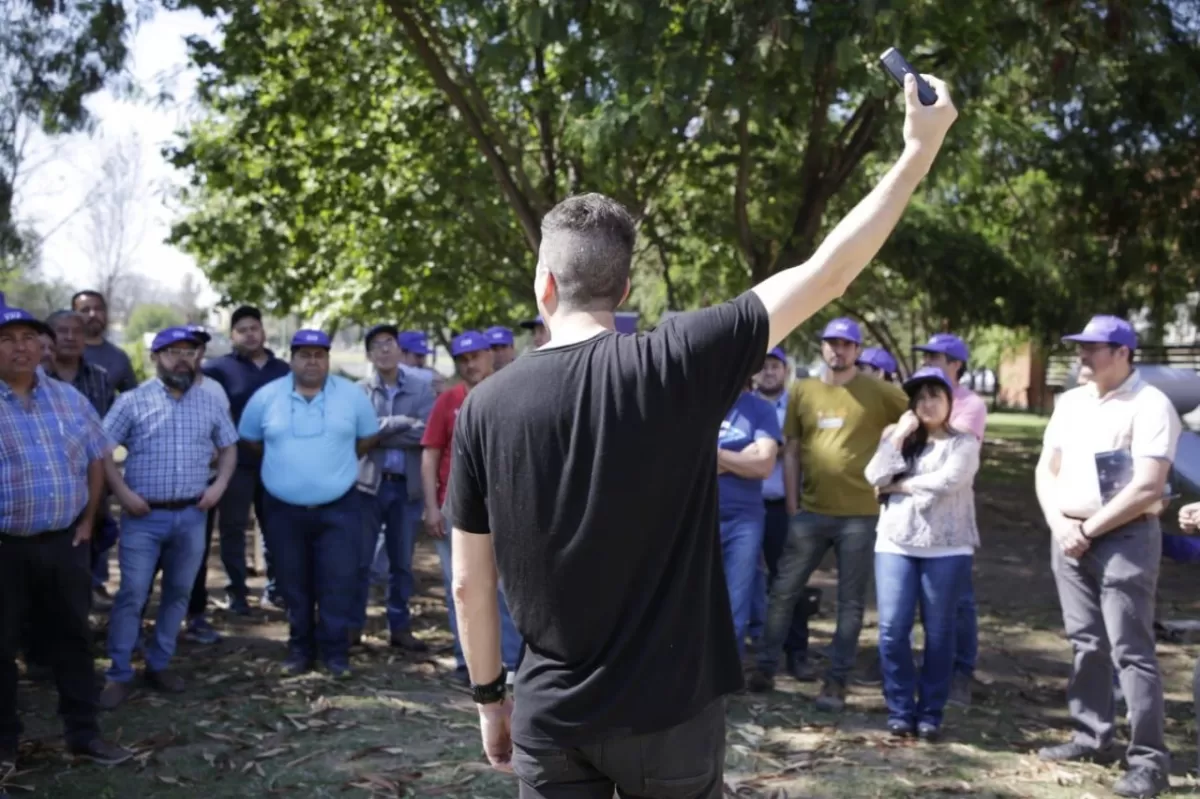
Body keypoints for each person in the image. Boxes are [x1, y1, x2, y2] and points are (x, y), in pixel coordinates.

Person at [444, 73, 956, 795]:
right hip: (671, 712)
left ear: (544, 286)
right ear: (624, 292)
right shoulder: (677, 360)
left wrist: (489, 696)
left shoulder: (483, 406)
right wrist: (916, 152)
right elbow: (829, 272)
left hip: (550, 714)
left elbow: (470, 580)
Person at [1034, 315, 1180, 799]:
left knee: (1130, 651)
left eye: (1094, 348)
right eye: (1081, 346)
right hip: (1069, 532)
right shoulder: (1071, 402)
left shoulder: (1151, 405)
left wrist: (1089, 530)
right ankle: (1091, 735)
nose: (1083, 355)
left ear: (1123, 353)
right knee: (1085, 643)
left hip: (1124, 538)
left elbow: (1148, 485)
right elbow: (1045, 469)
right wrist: (1060, 526)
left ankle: (1148, 761)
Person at [748, 317, 909, 710]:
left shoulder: (878, 391)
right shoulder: (803, 390)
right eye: (831, 343)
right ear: (822, 347)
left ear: (856, 349)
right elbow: (791, 451)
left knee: (851, 602)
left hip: (861, 514)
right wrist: (791, 504)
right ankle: (765, 667)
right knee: (784, 590)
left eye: (846, 344)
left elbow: (913, 412)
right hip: (810, 512)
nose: (838, 350)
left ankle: (836, 681)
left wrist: (897, 437)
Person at [0, 304, 132, 768]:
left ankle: (83, 734)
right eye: (7, 338)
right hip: (5, 549)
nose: (20, 346)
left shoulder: (69, 398)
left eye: (28, 338)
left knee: (74, 640)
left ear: (42, 346)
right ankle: (5, 747)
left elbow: (98, 456)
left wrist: (88, 519)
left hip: (65, 544)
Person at [99, 327, 239, 709]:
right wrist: (123, 494)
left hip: (193, 514)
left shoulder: (209, 402)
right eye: (172, 351)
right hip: (144, 517)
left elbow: (229, 449)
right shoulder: (132, 401)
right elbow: (102, 451)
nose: (182, 358)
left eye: (189, 351)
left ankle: (159, 663)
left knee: (178, 594)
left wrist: (219, 487)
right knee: (133, 594)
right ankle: (119, 672)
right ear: (155, 358)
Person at [238, 329, 380, 677]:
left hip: (340, 508)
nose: (312, 361)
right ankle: (299, 651)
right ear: (292, 358)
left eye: (320, 354)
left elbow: (367, 438)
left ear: (328, 359)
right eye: (305, 354)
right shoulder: (266, 397)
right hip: (283, 511)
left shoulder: (351, 396)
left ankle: (335, 655)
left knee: (337, 581)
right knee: (293, 583)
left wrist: (329, 469)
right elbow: (251, 441)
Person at [864, 366, 981, 741]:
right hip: (895, 543)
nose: (927, 403)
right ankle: (900, 709)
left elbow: (949, 481)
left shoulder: (964, 443)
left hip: (947, 547)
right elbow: (873, 477)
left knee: (940, 631)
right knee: (891, 630)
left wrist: (901, 487)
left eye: (936, 395)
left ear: (950, 401)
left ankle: (931, 712)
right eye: (920, 397)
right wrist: (898, 436)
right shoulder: (899, 438)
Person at [421, 331, 523, 684]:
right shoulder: (447, 401)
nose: (470, 365)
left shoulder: (511, 391)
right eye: (462, 360)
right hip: (458, 510)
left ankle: (510, 661)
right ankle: (468, 662)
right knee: (462, 587)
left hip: (505, 507)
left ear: (489, 356)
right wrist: (432, 507)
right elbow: (430, 454)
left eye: (475, 357)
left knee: (507, 587)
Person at [912, 332, 988, 707]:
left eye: (936, 357)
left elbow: (949, 453)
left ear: (956, 364)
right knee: (919, 599)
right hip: (914, 517)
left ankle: (961, 672)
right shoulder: (917, 398)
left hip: (952, 518)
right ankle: (929, 669)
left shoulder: (970, 404)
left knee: (958, 600)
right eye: (925, 355)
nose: (927, 361)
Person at [202, 305, 291, 613]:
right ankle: (237, 592)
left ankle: (276, 590)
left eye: (255, 328)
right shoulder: (218, 369)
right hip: (235, 463)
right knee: (233, 528)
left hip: (275, 462)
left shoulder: (283, 370)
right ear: (232, 336)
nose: (250, 334)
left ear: (264, 332)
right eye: (242, 329)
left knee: (276, 527)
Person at [353, 323, 436, 650]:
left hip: (406, 488)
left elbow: (426, 434)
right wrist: (400, 423)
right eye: (376, 345)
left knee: (401, 564)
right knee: (361, 562)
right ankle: (353, 626)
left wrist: (380, 433)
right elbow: (360, 435)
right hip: (368, 487)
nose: (384, 350)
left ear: (400, 349)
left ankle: (399, 628)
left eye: (389, 343)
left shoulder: (420, 387)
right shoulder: (360, 390)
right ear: (369, 355)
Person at [43, 309, 117, 605]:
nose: (71, 338)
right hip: (49, 483)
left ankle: (88, 604)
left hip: (93, 478)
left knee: (92, 544)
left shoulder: (99, 378)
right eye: (62, 331)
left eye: (78, 332)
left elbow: (109, 429)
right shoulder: (36, 377)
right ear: (48, 338)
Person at [748, 347, 814, 678]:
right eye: (762, 366)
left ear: (785, 370)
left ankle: (797, 651)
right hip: (743, 504)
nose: (768, 372)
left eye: (774, 365)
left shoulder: (798, 405)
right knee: (742, 577)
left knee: (788, 580)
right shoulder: (744, 405)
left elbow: (801, 449)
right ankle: (755, 651)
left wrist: (765, 451)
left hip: (781, 504)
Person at [717, 380, 782, 657]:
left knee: (735, 601)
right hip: (697, 518)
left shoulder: (760, 409)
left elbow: (764, 465)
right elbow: (682, 460)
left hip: (744, 520)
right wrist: (741, 458)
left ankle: (726, 680)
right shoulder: (698, 403)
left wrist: (713, 454)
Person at [70, 290, 137, 393]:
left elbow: (133, 399)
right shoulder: (63, 352)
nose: (93, 314)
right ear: (73, 315)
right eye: (85, 310)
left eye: (98, 309)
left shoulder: (118, 357)